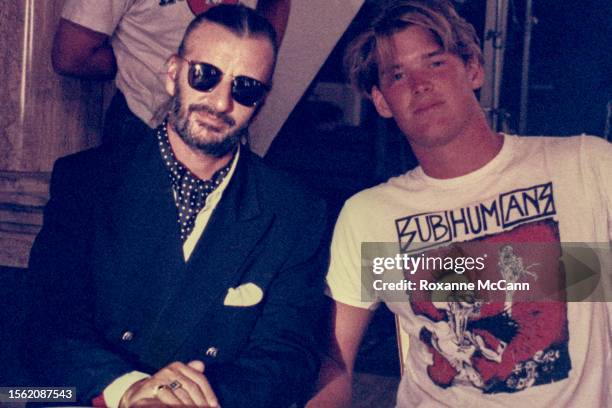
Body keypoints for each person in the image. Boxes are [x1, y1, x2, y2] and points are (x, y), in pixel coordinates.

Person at [308, 0, 612, 407]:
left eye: (434, 63)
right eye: (398, 75)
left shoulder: (584, 166)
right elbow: (334, 359)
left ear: (473, 69)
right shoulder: (370, 216)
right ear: (381, 102)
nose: (419, 84)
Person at [24, 5, 327, 408]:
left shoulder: (296, 211)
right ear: (172, 74)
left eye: (246, 88)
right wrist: (127, 390)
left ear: (262, 101)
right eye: (205, 75)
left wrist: (186, 400)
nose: (221, 102)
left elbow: (288, 357)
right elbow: (48, 323)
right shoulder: (86, 182)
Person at [52, 0, 290, 146]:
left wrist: (254, 71)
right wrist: (130, 59)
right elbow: (71, 56)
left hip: (227, 126)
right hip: (143, 124)